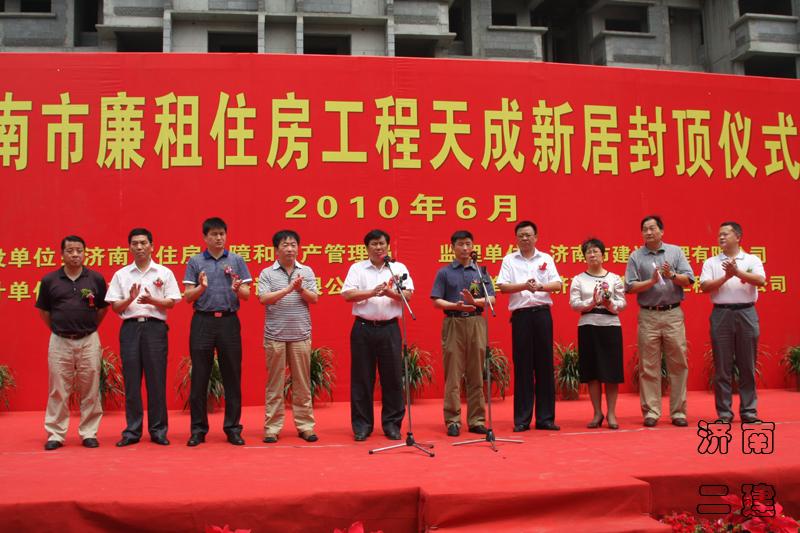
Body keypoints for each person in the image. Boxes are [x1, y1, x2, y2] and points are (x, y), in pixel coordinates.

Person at [105, 228, 181, 447]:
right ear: (129, 247)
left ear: (152, 246)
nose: (139, 247)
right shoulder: (121, 274)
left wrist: (151, 301)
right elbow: (115, 307)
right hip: (130, 329)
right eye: (135, 243)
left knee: (156, 380)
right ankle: (132, 431)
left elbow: (171, 302)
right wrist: (130, 299)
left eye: (143, 243)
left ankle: (158, 430)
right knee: (131, 381)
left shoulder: (164, 272)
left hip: (155, 329)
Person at [36, 235, 109, 450]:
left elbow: (102, 308)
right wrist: (58, 329)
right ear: (62, 254)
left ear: (85, 253)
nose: (75, 254)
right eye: (70, 251)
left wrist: (89, 327)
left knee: (91, 387)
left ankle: (89, 432)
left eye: (79, 250)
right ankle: (56, 434)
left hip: (89, 339)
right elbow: (44, 311)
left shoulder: (95, 279)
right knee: (58, 388)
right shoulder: (50, 280)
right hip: (60, 340)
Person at [183, 217, 252, 446]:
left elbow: (246, 294)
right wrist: (201, 288)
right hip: (203, 321)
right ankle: (198, 429)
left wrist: (238, 288)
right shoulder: (195, 261)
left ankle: (233, 428)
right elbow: (187, 296)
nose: (219, 238)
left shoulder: (236, 260)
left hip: (229, 322)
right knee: (199, 377)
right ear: (205, 237)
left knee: (232, 376)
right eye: (214, 234)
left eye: (222, 233)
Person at [341, 229, 413, 442]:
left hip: (390, 328)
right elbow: (348, 294)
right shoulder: (357, 268)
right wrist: (372, 292)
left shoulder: (397, 268)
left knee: (392, 378)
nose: (378, 247)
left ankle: (392, 424)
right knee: (362, 378)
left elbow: (408, 294)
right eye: (374, 244)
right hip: (363, 328)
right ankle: (362, 426)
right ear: (367, 247)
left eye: (382, 243)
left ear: (387, 245)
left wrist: (390, 292)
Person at [625, 215, 694, 427]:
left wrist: (671, 275)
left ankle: (678, 412)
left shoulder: (675, 252)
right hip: (648, 314)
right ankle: (651, 412)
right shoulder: (636, 256)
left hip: (673, 313)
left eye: (652, 228)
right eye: (645, 229)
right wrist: (652, 281)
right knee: (648, 365)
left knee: (678, 363)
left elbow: (689, 280)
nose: (648, 232)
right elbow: (630, 287)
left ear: (661, 231)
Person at [497, 220, 562, 432]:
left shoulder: (546, 258)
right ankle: (522, 419)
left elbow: (558, 284)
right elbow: (503, 286)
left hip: (542, 314)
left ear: (536, 237)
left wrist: (540, 286)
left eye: (528, 235)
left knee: (545, 365)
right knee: (523, 366)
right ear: (516, 239)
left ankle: (545, 418)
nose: (525, 238)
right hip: (521, 316)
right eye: (521, 235)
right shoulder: (509, 259)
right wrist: (524, 286)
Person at [431, 230, 495, 437]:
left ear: (473, 246)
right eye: (460, 244)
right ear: (452, 247)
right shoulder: (444, 272)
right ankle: (453, 420)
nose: (465, 248)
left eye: (468, 244)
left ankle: (477, 420)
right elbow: (436, 300)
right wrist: (455, 305)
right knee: (453, 373)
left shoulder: (480, 271)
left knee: (476, 372)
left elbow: (492, 299)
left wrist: (474, 302)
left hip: (476, 322)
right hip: (453, 322)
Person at [700, 222, 766, 424]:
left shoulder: (751, 259)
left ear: (738, 237)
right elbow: (704, 286)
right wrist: (726, 277)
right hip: (721, 314)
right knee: (722, 367)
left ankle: (749, 412)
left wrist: (738, 273)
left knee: (747, 365)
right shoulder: (711, 262)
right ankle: (724, 414)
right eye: (719, 234)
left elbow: (760, 280)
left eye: (725, 234)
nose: (721, 237)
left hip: (747, 312)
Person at [258, 230, 319, 443]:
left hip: (300, 334)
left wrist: (300, 290)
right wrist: (288, 289)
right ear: (276, 250)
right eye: (285, 245)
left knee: (302, 383)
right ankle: (272, 428)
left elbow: (314, 298)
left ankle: (305, 426)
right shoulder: (267, 273)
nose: (290, 249)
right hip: (275, 335)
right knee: (274, 385)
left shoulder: (306, 271)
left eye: (293, 245)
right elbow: (263, 298)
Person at [569, 238, 626, 429]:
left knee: (611, 372)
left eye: (596, 251)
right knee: (592, 372)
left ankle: (612, 413)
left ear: (603, 255)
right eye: (588, 252)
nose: (592, 255)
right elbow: (574, 304)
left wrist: (610, 304)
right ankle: (597, 413)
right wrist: (592, 302)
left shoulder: (614, 278)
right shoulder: (578, 279)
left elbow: (622, 303)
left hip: (610, 325)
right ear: (584, 257)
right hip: (588, 325)